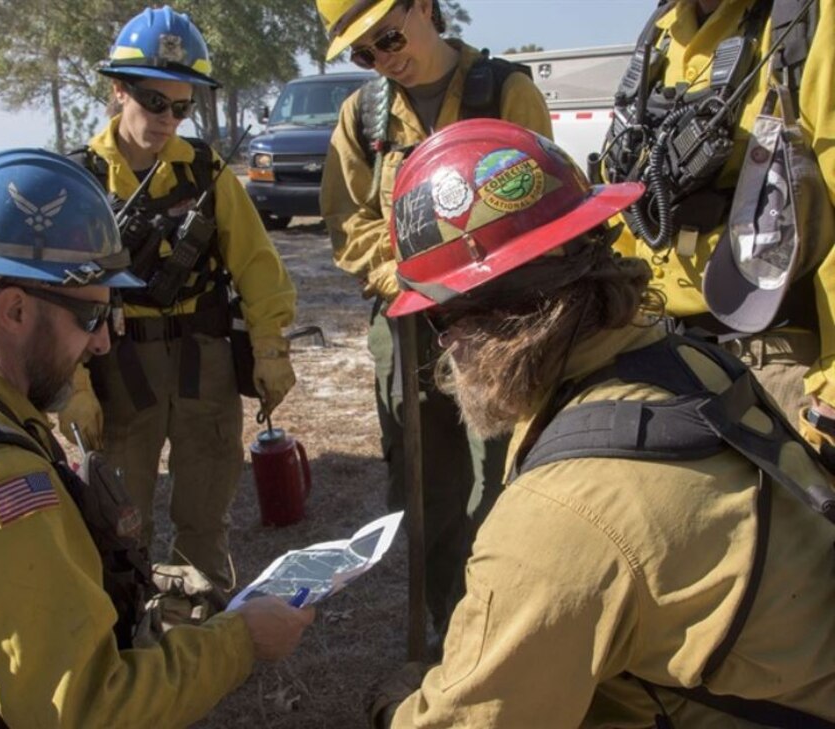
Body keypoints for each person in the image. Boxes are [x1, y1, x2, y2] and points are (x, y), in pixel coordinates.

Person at [372, 119, 834, 726]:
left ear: (482, 324)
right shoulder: (688, 364)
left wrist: (391, 708)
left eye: (437, 319)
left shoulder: (558, 517)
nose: (443, 347)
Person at [0, 148, 314, 728]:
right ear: (14, 310)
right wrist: (241, 639)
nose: (101, 343)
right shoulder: (1, 482)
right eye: (91, 317)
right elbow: (84, 711)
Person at [316, 0, 552, 638]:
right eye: (364, 53)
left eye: (389, 38)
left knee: (505, 473)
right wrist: (409, 275)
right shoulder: (361, 116)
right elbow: (347, 220)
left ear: (423, 6)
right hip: (407, 321)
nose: (382, 60)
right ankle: (448, 621)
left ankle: (503, 619)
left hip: (499, 321)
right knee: (423, 486)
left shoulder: (505, 93)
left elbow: (542, 205)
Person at [59, 6, 297, 591]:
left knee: (205, 518)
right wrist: (75, 389)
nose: (168, 119)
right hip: (120, 368)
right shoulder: (79, 181)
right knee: (120, 520)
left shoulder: (207, 172)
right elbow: (58, 297)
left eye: (182, 107)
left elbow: (258, 266)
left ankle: (205, 621)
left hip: (203, 360)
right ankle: (128, 627)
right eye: (154, 102)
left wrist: (270, 348)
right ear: (119, 91)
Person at [600, 0, 834, 462]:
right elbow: (627, 210)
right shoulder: (662, 33)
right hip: (660, 362)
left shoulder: (809, 18)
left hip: (776, 372)